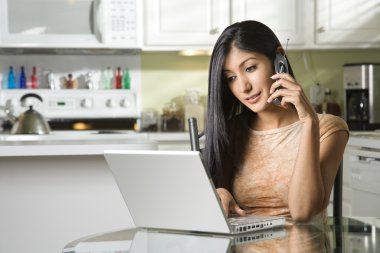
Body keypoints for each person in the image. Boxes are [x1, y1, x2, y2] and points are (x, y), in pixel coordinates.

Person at [204, 20, 349, 222]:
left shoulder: (328, 128)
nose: (243, 87)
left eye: (250, 68)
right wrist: (219, 193)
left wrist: (308, 123)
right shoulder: (232, 130)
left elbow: (303, 212)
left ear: (278, 58)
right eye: (230, 78)